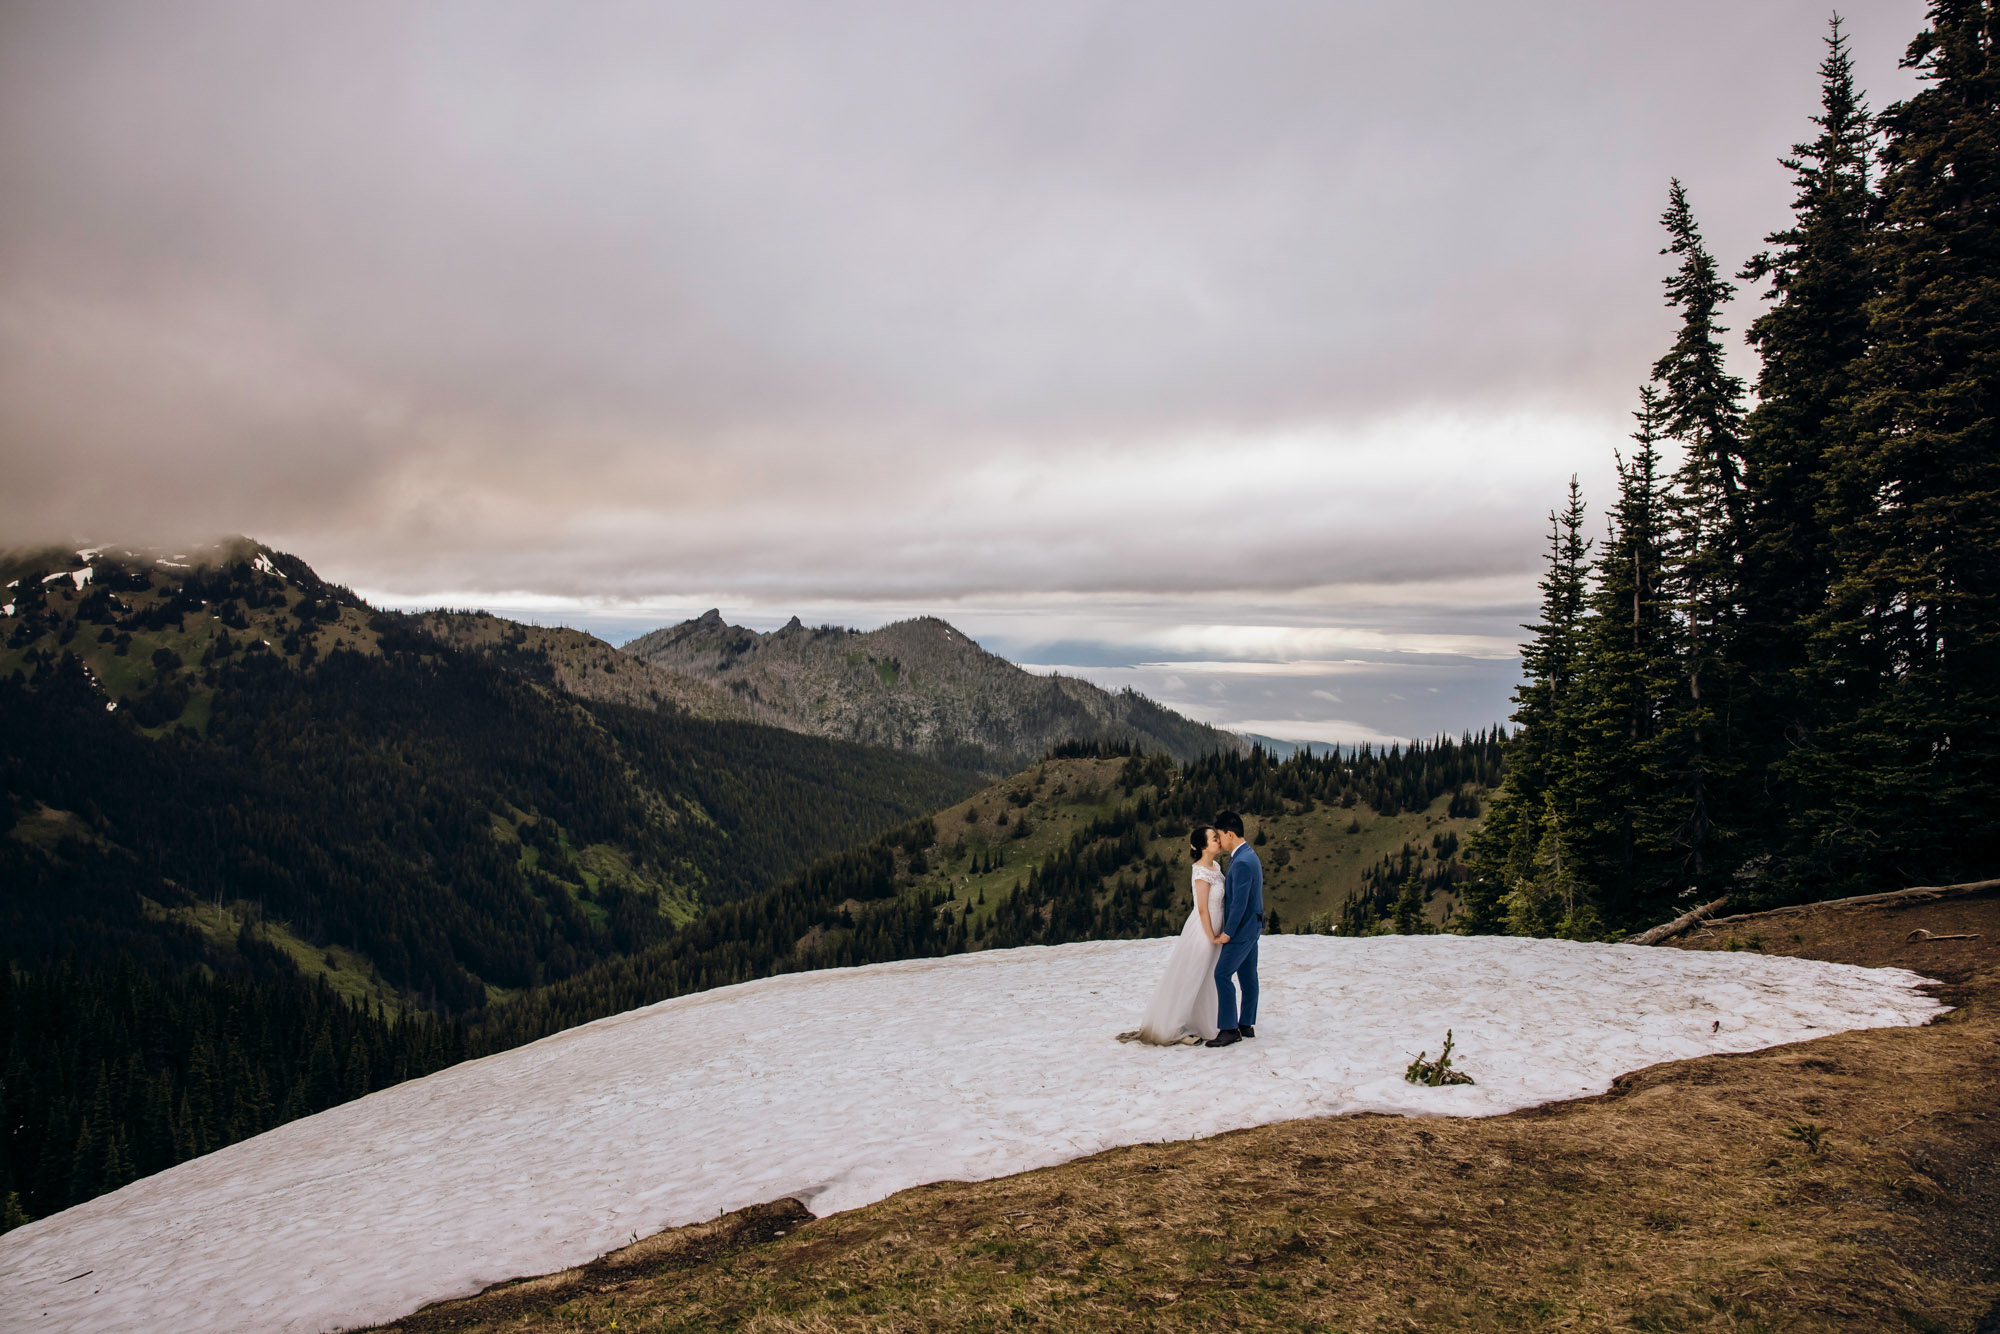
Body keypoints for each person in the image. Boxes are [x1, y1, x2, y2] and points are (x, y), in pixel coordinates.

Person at [1127, 826, 1226, 1045]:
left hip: (1216, 925)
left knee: (1207, 976)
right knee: (1193, 976)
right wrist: (1212, 937)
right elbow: (1202, 909)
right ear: (1202, 847)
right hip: (1204, 929)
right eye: (1214, 839)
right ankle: (1176, 1027)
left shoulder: (1215, 866)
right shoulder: (1200, 871)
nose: (1219, 841)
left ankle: (1199, 1021)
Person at [1205, 810, 1261, 1048]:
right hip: (1253, 926)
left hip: (1242, 930)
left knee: (1221, 975)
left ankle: (1229, 1029)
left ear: (1230, 833)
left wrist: (1228, 933)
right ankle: (1246, 1024)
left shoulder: (1243, 862)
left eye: (1220, 835)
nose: (1219, 840)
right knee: (1248, 976)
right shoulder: (1248, 855)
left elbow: (1239, 903)